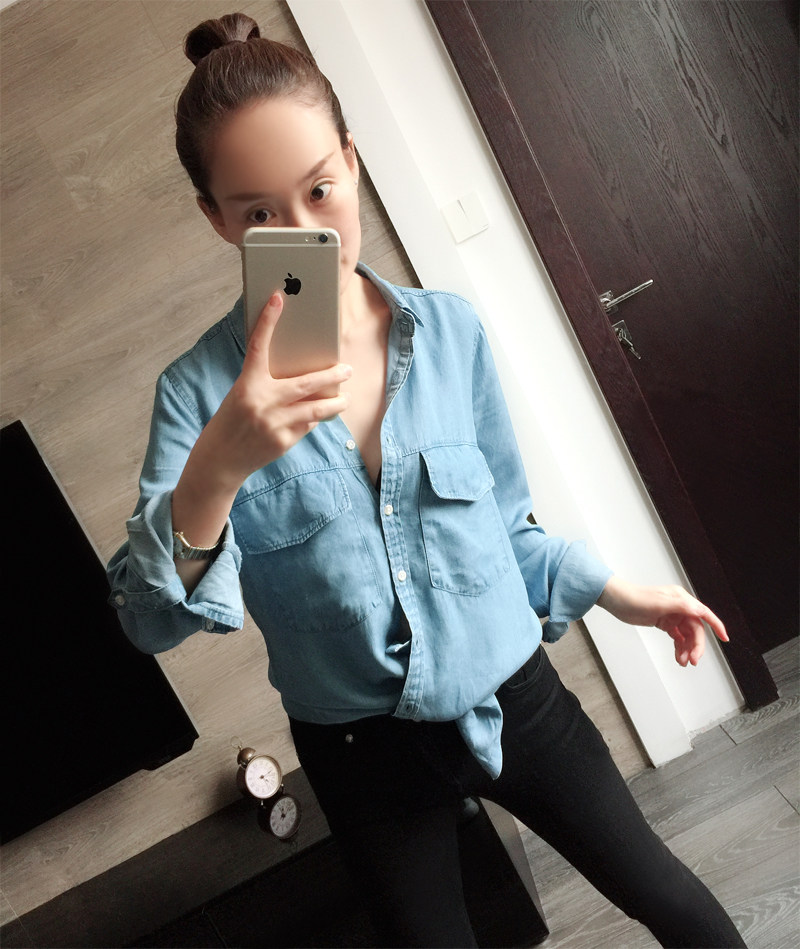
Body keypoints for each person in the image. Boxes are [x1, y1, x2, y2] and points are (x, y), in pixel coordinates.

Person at [107, 12, 747, 948]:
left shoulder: (449, 334)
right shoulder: (196, 395)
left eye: (320, 189)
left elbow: (506, 528)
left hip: (514, 694)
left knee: (671, 898)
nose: (305, 232)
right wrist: (217, 467)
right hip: (358, 752)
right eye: (260, 215)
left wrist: (620, 593)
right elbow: (145, 623)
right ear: (216, 218)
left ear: (352, 160)